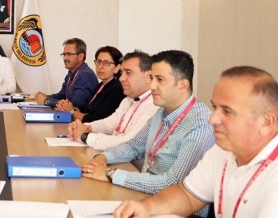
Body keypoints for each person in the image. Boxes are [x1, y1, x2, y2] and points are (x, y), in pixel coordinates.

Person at [101, 66, 278, 218]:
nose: (212, 119)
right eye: (215, 107)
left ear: (266, 122)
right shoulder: (226, 148)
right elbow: (187, 195)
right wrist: (146, 207)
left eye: (227, 111)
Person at [81, 50, 214, 196]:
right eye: (152, 78)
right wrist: (103, 157)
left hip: (171, 203)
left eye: (160, 80)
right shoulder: (162, 111)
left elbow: (173, 183)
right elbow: (134, 146)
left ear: (182, 85)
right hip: (147, 191)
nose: (152, 86)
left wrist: (111, 174)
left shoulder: (200, 125)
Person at [68, 50, 159, 150]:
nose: (121, 78)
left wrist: (85, 136)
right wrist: (86, 127)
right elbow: (109, 124)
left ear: (148, 76)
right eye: (122, 73)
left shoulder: (154, 105)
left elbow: (129, 143)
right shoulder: (128, 100)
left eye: (128, 73)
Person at [58, 46, 125, 122]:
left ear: (117, 68)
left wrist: (71, 112)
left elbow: (97, 119)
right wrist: (66, 106)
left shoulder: (117, 89)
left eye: (106, 63)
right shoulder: (101, 85)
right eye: (98, 62)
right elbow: (87, 110)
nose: (100, 66)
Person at [35, 38, 97, 111]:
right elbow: (62, 95)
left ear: (81, 56)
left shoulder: (86, 75)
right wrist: (45, 97)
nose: (65, 58)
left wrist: (47, 101)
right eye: (64, 54)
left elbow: (73, 105)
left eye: (69, 54)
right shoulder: (71, 73)